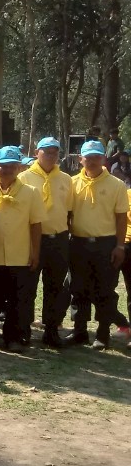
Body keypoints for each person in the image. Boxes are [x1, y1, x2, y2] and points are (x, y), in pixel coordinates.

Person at [0, 146, 44, 352]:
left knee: (17, 301)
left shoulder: (31, 192)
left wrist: (35, 252)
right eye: (3, 166)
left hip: (20, 255)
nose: (7, 170)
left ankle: (12, 338)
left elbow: (36, 224)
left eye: (12, 166)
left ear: (19, 168)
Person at [68, 139, 127, 350]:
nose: (92, 161)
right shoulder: (71, 183)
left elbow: (121, 218)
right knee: (78, 288)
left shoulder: (117, 185)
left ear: (103, 158)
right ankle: (79, 331)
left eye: (96, 157)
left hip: (106, 244)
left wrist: (120, 246)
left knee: (105, 290)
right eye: (88, 157)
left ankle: (103, 334)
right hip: (79, 243)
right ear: (80, 159)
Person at [19, 137, 74, 348]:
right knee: (28, 287)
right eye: (47, 151)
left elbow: (68, 211)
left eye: (55, 152)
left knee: (55, 288)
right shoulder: (23, 177)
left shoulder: (66, 179)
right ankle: (23, 330)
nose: (51, 156)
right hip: (32, 239)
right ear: (36, 152)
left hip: (58, 239)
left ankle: (51, 331)